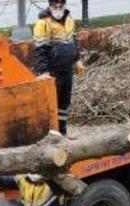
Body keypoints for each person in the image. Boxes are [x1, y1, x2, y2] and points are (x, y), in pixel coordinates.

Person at [33, 0, 85, 135]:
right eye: (54, 6)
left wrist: (77, 60)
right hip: (52, 72)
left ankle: (63, 132)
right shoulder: (42, 24)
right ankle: (51, 134)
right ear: (50, 6)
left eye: (60, 6)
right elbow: (40, 51)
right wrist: (43, 72)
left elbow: (74, 41)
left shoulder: (69, 19)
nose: (58, 9)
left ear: (64, 5)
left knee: (64, 104)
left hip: (67, 69)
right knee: (51, 105)